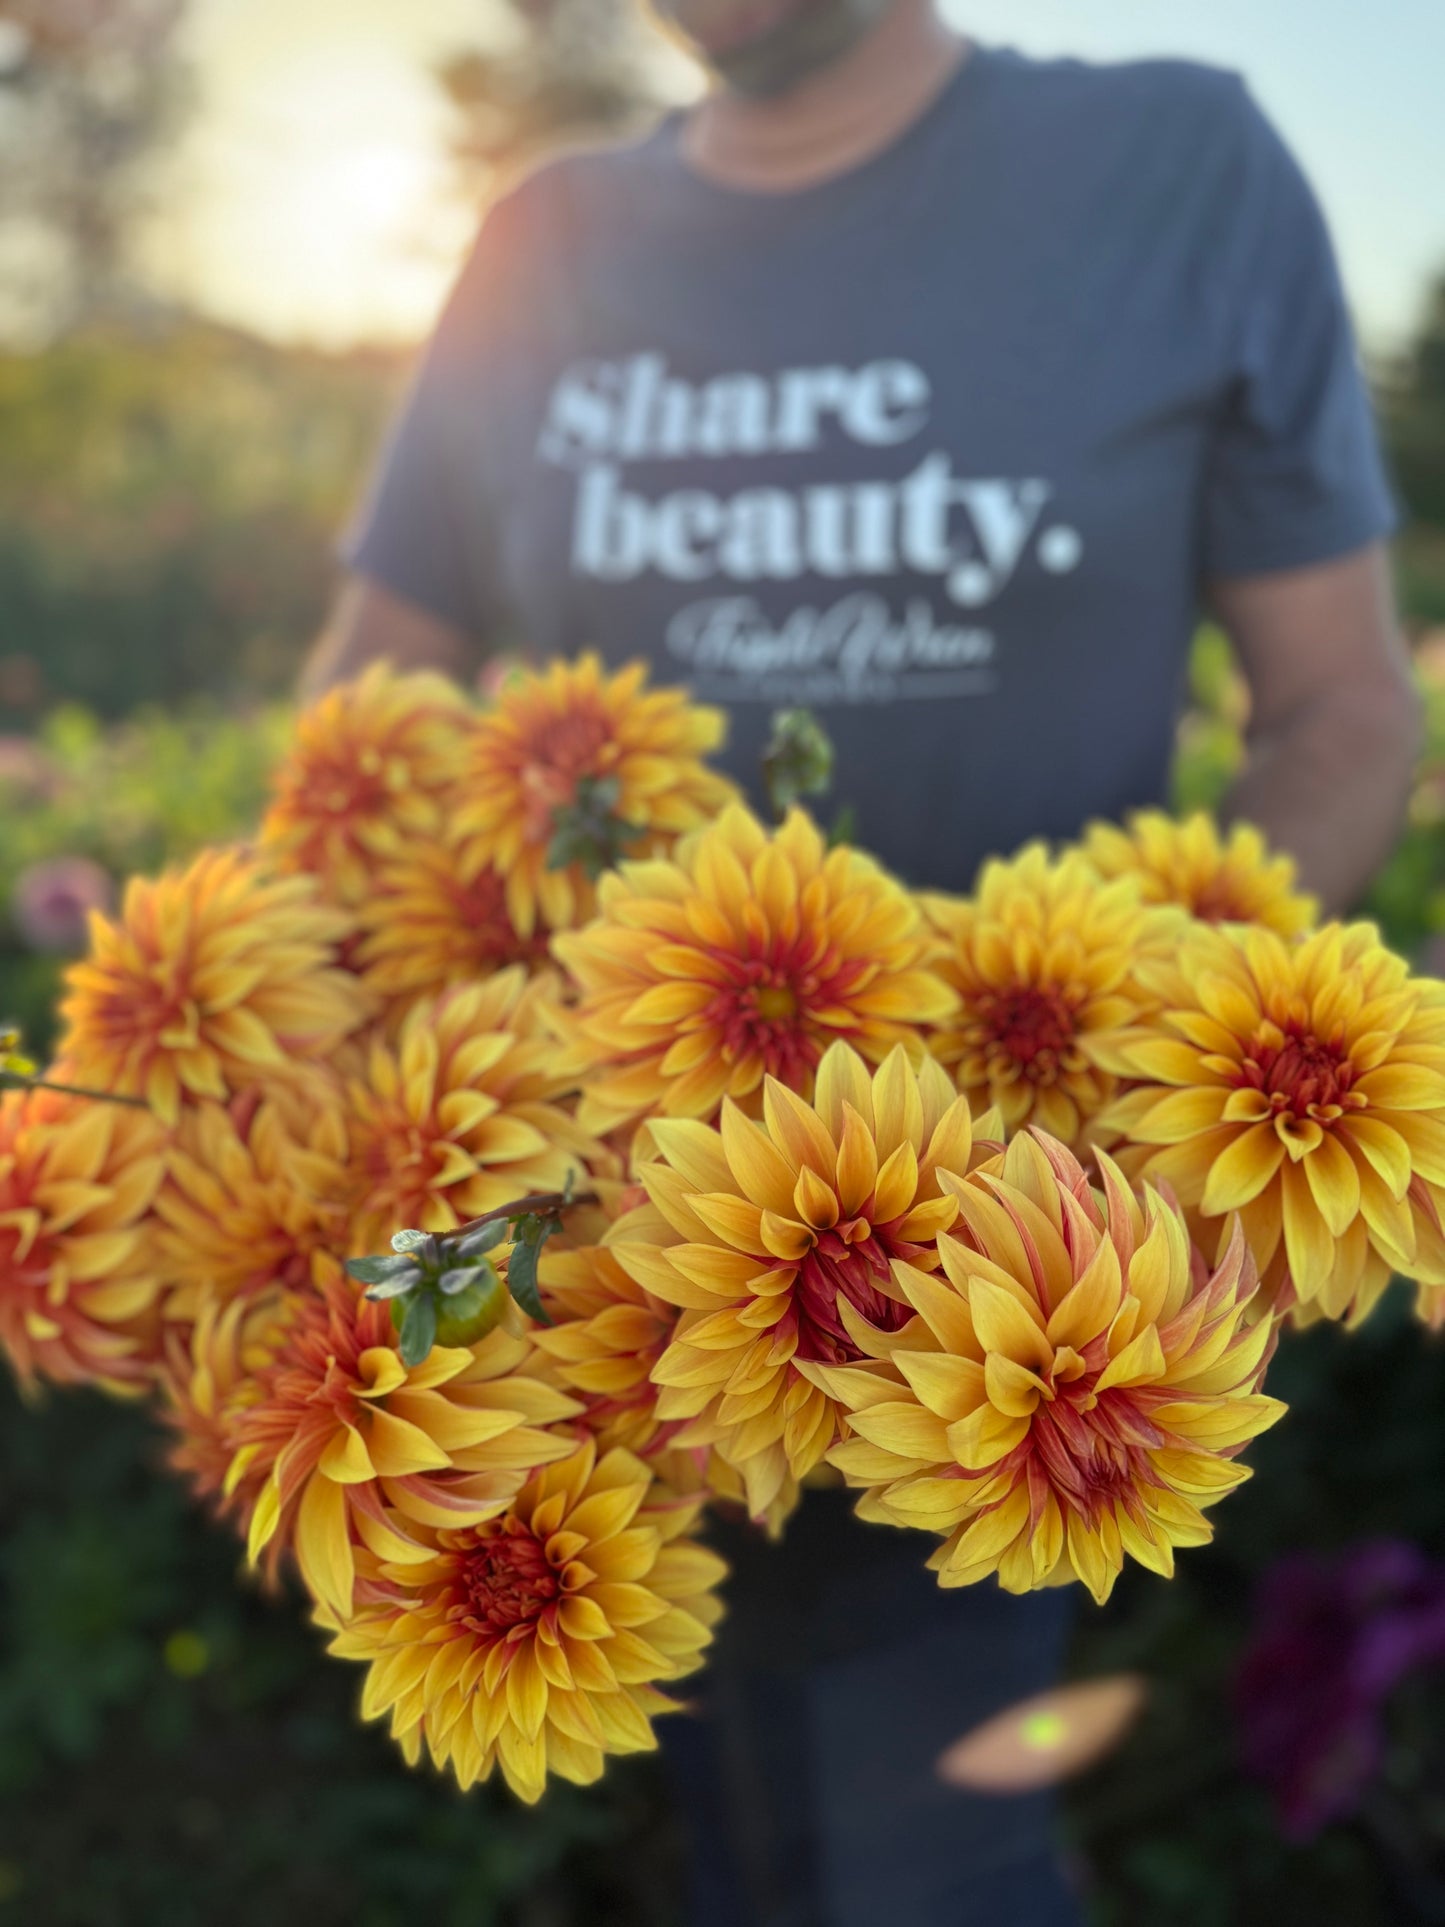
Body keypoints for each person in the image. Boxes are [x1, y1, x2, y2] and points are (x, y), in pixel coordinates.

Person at [304, 3, 1420, 1920]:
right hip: (607, 1336)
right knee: (738, 1864)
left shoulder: (1176, 163)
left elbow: (1339, 713)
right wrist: (339, 1084)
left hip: (1020, 1302)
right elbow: (360, 715)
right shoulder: (540, 242)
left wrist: (1165, 1102)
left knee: (933, 1877)